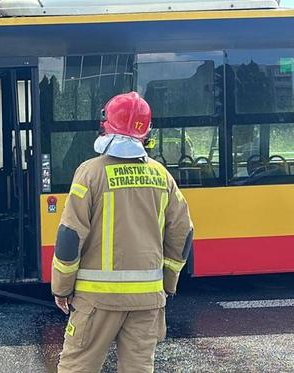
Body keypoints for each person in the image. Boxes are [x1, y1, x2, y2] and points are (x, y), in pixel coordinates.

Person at [51, 92, 193, 372]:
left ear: (105, 125)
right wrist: (167, 283)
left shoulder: (89, 173)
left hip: (97, 300)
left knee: (77, 367)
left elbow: (70, 236)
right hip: (147, 302)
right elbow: (183, 232)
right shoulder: (161, 175)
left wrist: (62, 288)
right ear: (146, 132)